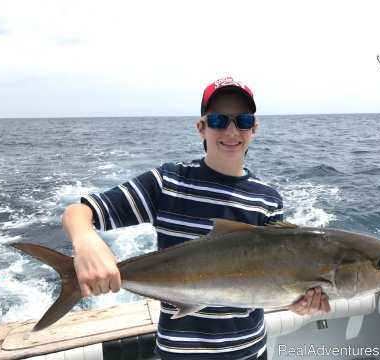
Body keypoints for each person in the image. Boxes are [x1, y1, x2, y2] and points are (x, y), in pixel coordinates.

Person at [62, 77, 330, 359]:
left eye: (242, 121)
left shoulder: (267, 199)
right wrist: (85, 240)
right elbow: (78, 212)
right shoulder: (169, 182)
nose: (231, 130)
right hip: (179, 353)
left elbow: (273, 280)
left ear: (254, 129)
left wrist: (299, 302)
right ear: (201, 127)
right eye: (217, 120)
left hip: (248, 351)